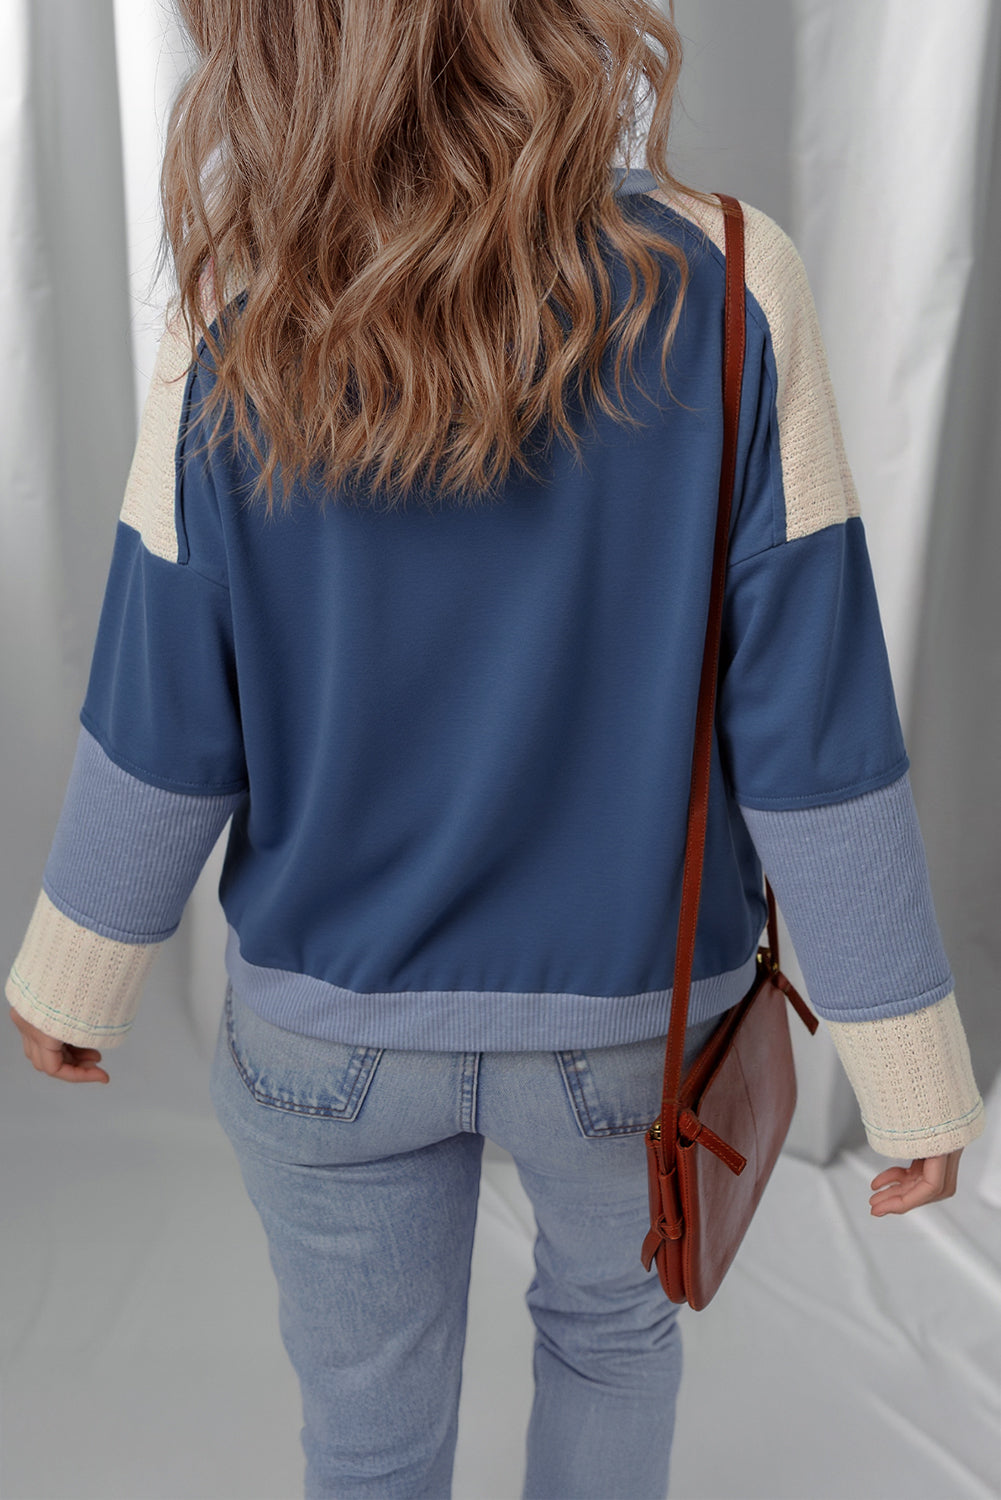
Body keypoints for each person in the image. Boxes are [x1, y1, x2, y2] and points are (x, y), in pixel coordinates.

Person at [5, 1, 985, 1497]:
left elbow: (163, 701)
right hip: (632, 1037)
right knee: (611, 1354)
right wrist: (908, 1069)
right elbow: (814, 734)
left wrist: (82, 964)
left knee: (367, 1436)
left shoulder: (240, 306)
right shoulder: (730, 284)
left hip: (325, 1036)